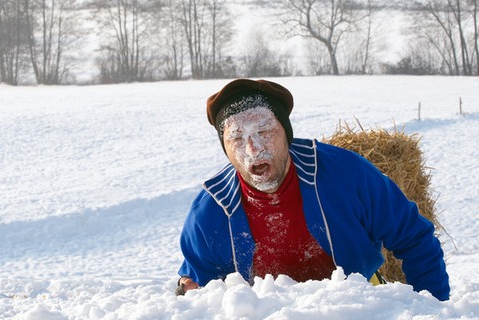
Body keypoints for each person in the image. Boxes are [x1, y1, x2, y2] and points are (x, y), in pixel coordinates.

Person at [175, 78, 450, 301]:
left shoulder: (346, 173)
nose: (254, 148)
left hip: (363, 306)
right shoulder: (211, 211)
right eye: (236, 137)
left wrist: (434, 309)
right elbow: (196, 285)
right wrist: (188, 288)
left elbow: (414, 238)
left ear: (287, 134)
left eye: (265, 130)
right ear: (225, 148)